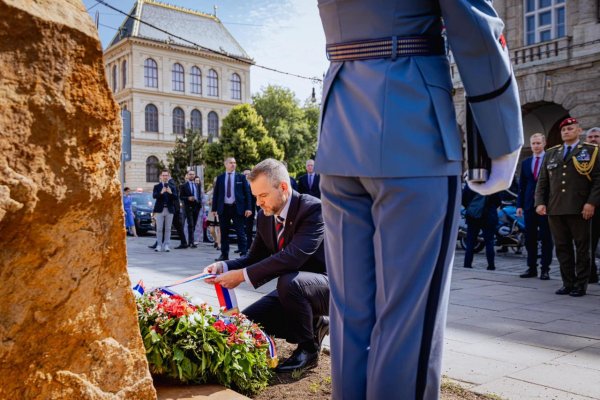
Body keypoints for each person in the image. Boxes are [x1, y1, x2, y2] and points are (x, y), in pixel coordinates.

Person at [316, 1, 523, 399]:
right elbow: (475, 26)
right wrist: (502, 137)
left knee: (349, 314)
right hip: (412, 122)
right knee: (408, 320)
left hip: (339, 126)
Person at [204, 159, 330, 372]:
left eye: (263, 196)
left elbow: (292, 258)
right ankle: (315, 323)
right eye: (255, 197)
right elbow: (253, 259)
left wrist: (241, 276)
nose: (259, 203)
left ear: (283, 187)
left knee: (288, 282)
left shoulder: (313, 209)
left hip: (327, 288)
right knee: (245, 324)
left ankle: (308, 348)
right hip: (293, 289)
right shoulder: (265, 217)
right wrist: (222, 267)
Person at [535, 117, 600, 297]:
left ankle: (581, 285)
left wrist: (591, 202)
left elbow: (598, 180)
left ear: (579, 131)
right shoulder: (551, 153)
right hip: (555, 208)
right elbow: (542, 182)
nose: (566, 132)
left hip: (580, 208)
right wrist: (540, 202)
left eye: (570, 129)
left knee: (582, 248)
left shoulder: (591, 151)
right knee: (562, 248)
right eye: (564, 130)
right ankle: (567, 283)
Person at [516, 133, 554, 280]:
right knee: (530, 238)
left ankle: (545, 269)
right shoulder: (526, 163)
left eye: (538, 143)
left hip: (546, 205)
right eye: (533, 143)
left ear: (544, 143)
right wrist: (519, 205)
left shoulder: (551, 159)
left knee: (546, 238)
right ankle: (531, 268)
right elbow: (522, 186)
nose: (536, 146)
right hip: (529, 206)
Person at [211, 157, 252, 261]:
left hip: (237, 208)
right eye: (231, 163)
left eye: (234, 163)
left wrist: (248, 208)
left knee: (240, 232)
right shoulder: (220, 178)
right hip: (223, 208)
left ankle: (243, 254)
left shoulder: (241, 177)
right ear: (225, 164)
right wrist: (214, 209)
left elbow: (247, 193)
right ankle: (224, 255)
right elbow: (216, 194)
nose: (233, 164)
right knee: (224, 232)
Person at [462, 185, 501, 270]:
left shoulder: (470, 183)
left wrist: (472, 208)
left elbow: (463, 199)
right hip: (489, 216)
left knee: (470, 242)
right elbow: (498, 201)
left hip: (472, 216)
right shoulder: (492, 183)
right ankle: (491, 266)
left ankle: (467, 264)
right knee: (489, 242)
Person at [585, 127, 600, 284]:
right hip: (591, 207)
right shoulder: (583, 158)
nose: (593, 139)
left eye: (596, 136)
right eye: (591, 137)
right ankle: (591, 274)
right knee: (589, 242)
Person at [152, 170, 178, 252]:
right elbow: (154, 196)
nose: (165, 177)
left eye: (166, 175)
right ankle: (159, 245)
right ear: (161, 176)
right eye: (163, 175)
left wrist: (170, 193)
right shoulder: (157, 186)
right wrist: (161, 192)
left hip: (169, 210)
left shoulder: (172, 186)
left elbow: (176, 197)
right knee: (159, 228)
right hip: (160, 210)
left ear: (168, 176)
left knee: (168, 229)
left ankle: (166, 245)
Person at [179, 170, 203, 248]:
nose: (192, 176)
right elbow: (181, 197)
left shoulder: (197, 185)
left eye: (193, 174)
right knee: (190, 224)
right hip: (188, 206)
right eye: (190, 174)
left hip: (196, 207)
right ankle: (191, 242)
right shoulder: (184, 185)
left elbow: (199, 195)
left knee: (194, 224)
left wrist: (199, 203)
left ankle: (191, 241)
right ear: (188, 175)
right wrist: (188, 198)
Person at [242, 169, 257, 250]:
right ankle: (242, 245)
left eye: (248, 174)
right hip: (240, 209)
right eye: (245, 174)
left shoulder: (253, 184)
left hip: (250, 209)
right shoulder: (240, 184)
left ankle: (249, 245)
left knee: (249, 228)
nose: (246, 176)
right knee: (242, 229)